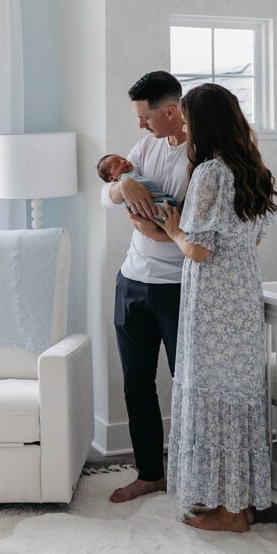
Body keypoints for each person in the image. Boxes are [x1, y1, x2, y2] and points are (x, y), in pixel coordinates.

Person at [159, 82, 277, 532]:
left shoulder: (210, 172)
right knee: (235, 400)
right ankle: (237, 503)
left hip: (211, 302)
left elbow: (200, 251)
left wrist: (173, 230)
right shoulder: (254, 170)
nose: (184, 127)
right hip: (242, 296)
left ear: (203, 123)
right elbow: (254, 237)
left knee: (213, 396)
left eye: (188, 119)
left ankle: (231, 513)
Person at [101, 71, 190, 503]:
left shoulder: (201, 157)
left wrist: (149, 225)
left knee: (186, 383)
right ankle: (149, 473)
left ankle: (192, 475)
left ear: (170, 111)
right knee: (136, 382)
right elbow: (108, 196)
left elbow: (182, 226)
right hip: (132, 280)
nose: (141, 126)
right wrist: (124, 184)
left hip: (178, 286)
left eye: (146, 117)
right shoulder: (145, 148)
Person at [96, 153, 179, 221]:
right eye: (117, 164)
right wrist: (123, 185)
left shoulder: (133, 173)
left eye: (124, 159)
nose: (123, 161)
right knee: (172, 215)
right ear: (112, 178)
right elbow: (106, 198)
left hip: (161, 203)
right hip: (152, 208)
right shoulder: (124, 177)